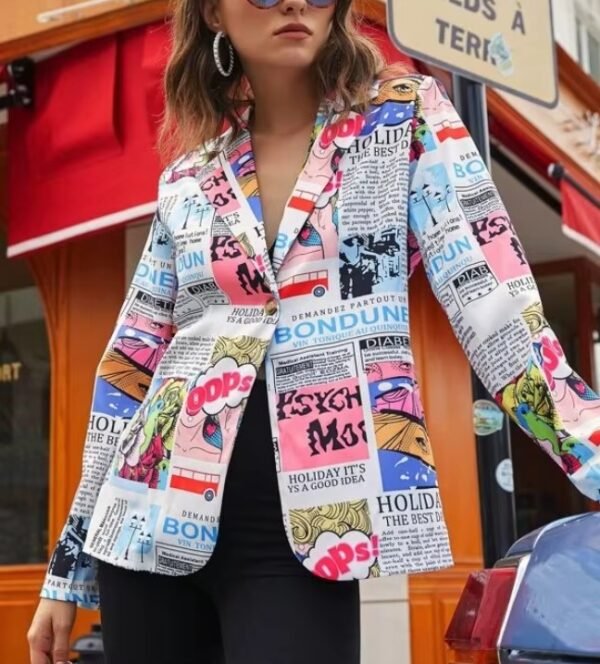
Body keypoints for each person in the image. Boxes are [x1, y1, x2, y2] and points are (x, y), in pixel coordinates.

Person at [28, 0, 600, 662]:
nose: (295, 1)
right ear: (214, 12)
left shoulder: (406, 118)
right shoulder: (188, 177)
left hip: (313, 525)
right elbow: (128, 370)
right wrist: (66, 571)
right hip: (145, 520)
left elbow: (498, 309)